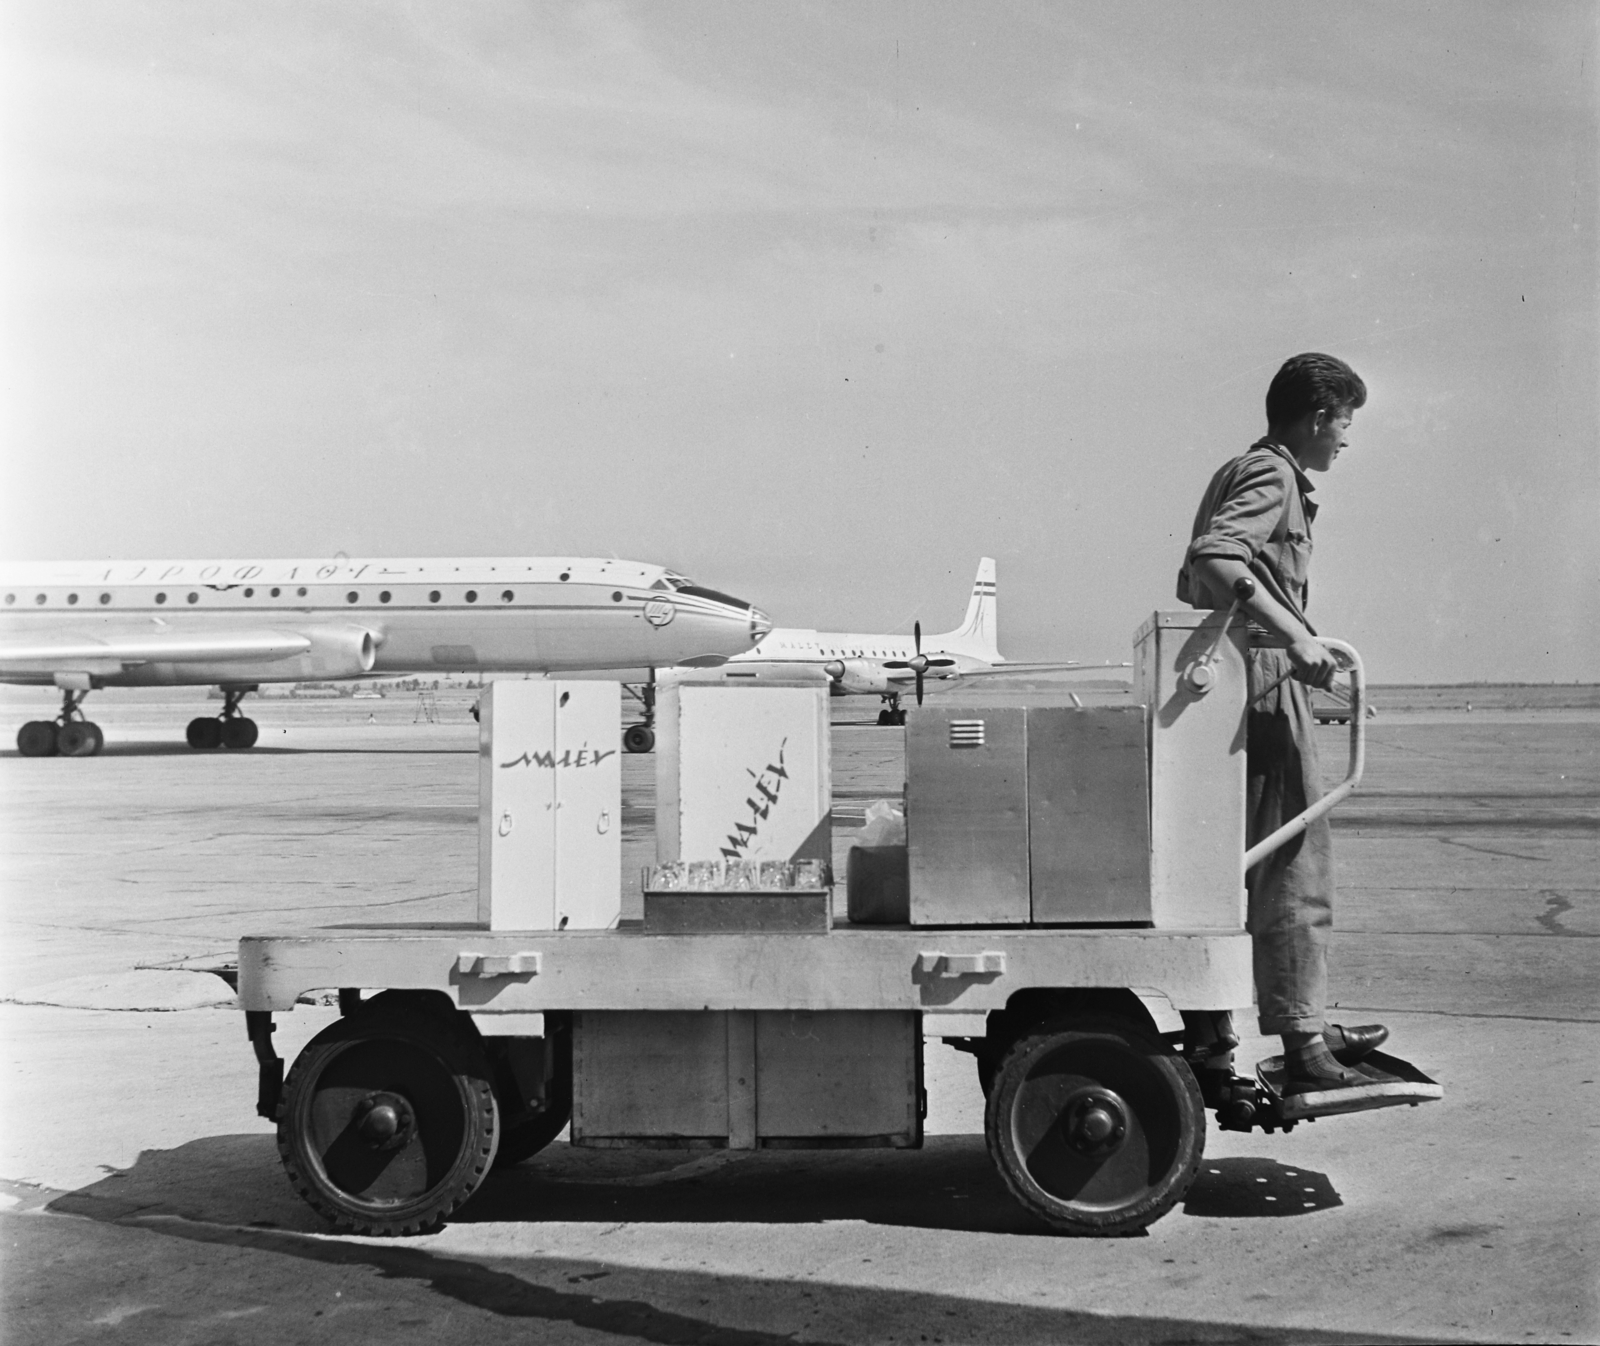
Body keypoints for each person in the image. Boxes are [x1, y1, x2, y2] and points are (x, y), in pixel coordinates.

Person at [1176, 352, 1388, 1098]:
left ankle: (1217, 1041)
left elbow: (1210, 571)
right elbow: (1214, 558)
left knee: (1214, 876)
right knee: (1294, 867)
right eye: (1344, 423)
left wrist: (1302, 638)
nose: (1346, 440)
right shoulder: (1270, 477)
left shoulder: (1239, 471)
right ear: (1316, 417)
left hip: (1236, 686)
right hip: (1260, 690)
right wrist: (1294, 640)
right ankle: (1303, 1038)